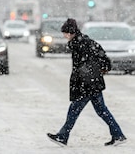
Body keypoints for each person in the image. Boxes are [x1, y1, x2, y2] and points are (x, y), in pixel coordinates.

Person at [47, 18, 126, 146]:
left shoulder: (79, 44)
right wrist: (101, 69)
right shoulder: (85, 41)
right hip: (93, 83)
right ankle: (118, 135)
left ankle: (62, 136)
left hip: (87, 84)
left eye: (65, 33)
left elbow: (83, 67)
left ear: (70, 32)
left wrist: (84, 81)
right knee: (102, 111)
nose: (64, 35)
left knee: (74, 110)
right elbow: (101, 54)